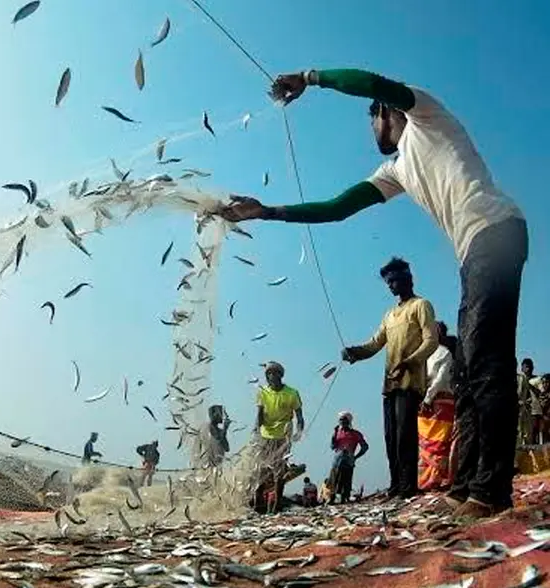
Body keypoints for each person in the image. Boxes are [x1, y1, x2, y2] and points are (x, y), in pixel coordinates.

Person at [209, 68, 528, 518]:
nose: (370, 129)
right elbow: (337, 208)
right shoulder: (395, 171)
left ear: (384, 112)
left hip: (495, 231)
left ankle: (491, 491)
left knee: (487, 364)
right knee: (471, 370)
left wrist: (310, 78)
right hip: (473, 250)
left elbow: (375, 84)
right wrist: (266, 212)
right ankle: (465, 485)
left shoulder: (426, 115)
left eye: (371, 119)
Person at [341, 257, 438, 499]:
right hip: (390, 382)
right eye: (388, 283)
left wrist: (410, 361)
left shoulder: (421, 305)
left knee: (406, 435)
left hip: (410, 380)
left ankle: (408, 487)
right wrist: (355, 352)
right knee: (390, 436)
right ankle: (396, 485)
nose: (392, 286)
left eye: (395, 280)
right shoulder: (390, 315)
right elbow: (375, 344)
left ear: (408, 279)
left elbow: (431, 340)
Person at [254, 361, 304, 507]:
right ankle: (258, 503)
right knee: (261, 470)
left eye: (275, 373)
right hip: (265, 435)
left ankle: (277, 503)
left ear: (281, 375)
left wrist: (299, 431)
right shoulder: (262, 392)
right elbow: (259, 415)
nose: (271, 376)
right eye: (269, 373)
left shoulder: (292, 393)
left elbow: (299, 416)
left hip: (283, 436)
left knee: (279, 471)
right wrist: (256, 431)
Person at [419, 322, 457, 492]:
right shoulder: (424, 354)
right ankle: (426, 479)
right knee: (425, 443)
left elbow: (440, 380)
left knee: (440, 442)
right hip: (425, 404)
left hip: (441, 402)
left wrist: (427, 399)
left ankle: (440, 478)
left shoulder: (445, 353)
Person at [330, 412, 369, 504]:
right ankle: (332, 498)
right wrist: (334, 434)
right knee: (334, 480)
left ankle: (344, 498)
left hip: (348, 460)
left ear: (349, 421)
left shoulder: (355, 434)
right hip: (337, 460)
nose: (342, 422)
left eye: (344, 420)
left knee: (346, 480)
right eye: (341, 420)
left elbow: (365, 447)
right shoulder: (337, 433)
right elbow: (332, 446)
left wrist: (356, 457)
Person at [519, 359, 539, 445]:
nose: (527, 369)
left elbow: (539, 393)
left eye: (528, 367)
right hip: (520, 409)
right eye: (525, 367)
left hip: (532, 410)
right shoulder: (518, 379)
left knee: (531, 433)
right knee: (520, 432)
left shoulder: (536, 380)